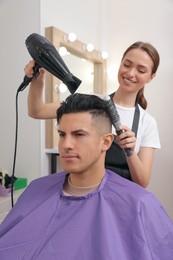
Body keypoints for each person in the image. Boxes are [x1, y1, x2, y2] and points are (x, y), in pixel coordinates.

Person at [0, 93, 172, 260]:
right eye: (62, 134)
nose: (66, 145)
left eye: (79, 135)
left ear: (106, 142)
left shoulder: (140, 204)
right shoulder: (37, 189)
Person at [25, 41, 161, 188]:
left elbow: (142, 182)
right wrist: (37, 80)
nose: (130, 73)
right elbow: (37, 111)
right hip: (82, 192)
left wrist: (130, 152)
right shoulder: (91, 102)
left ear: (151, 77)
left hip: (120, 201)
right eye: (127, 65)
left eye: (141, 70)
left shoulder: (147, 122)